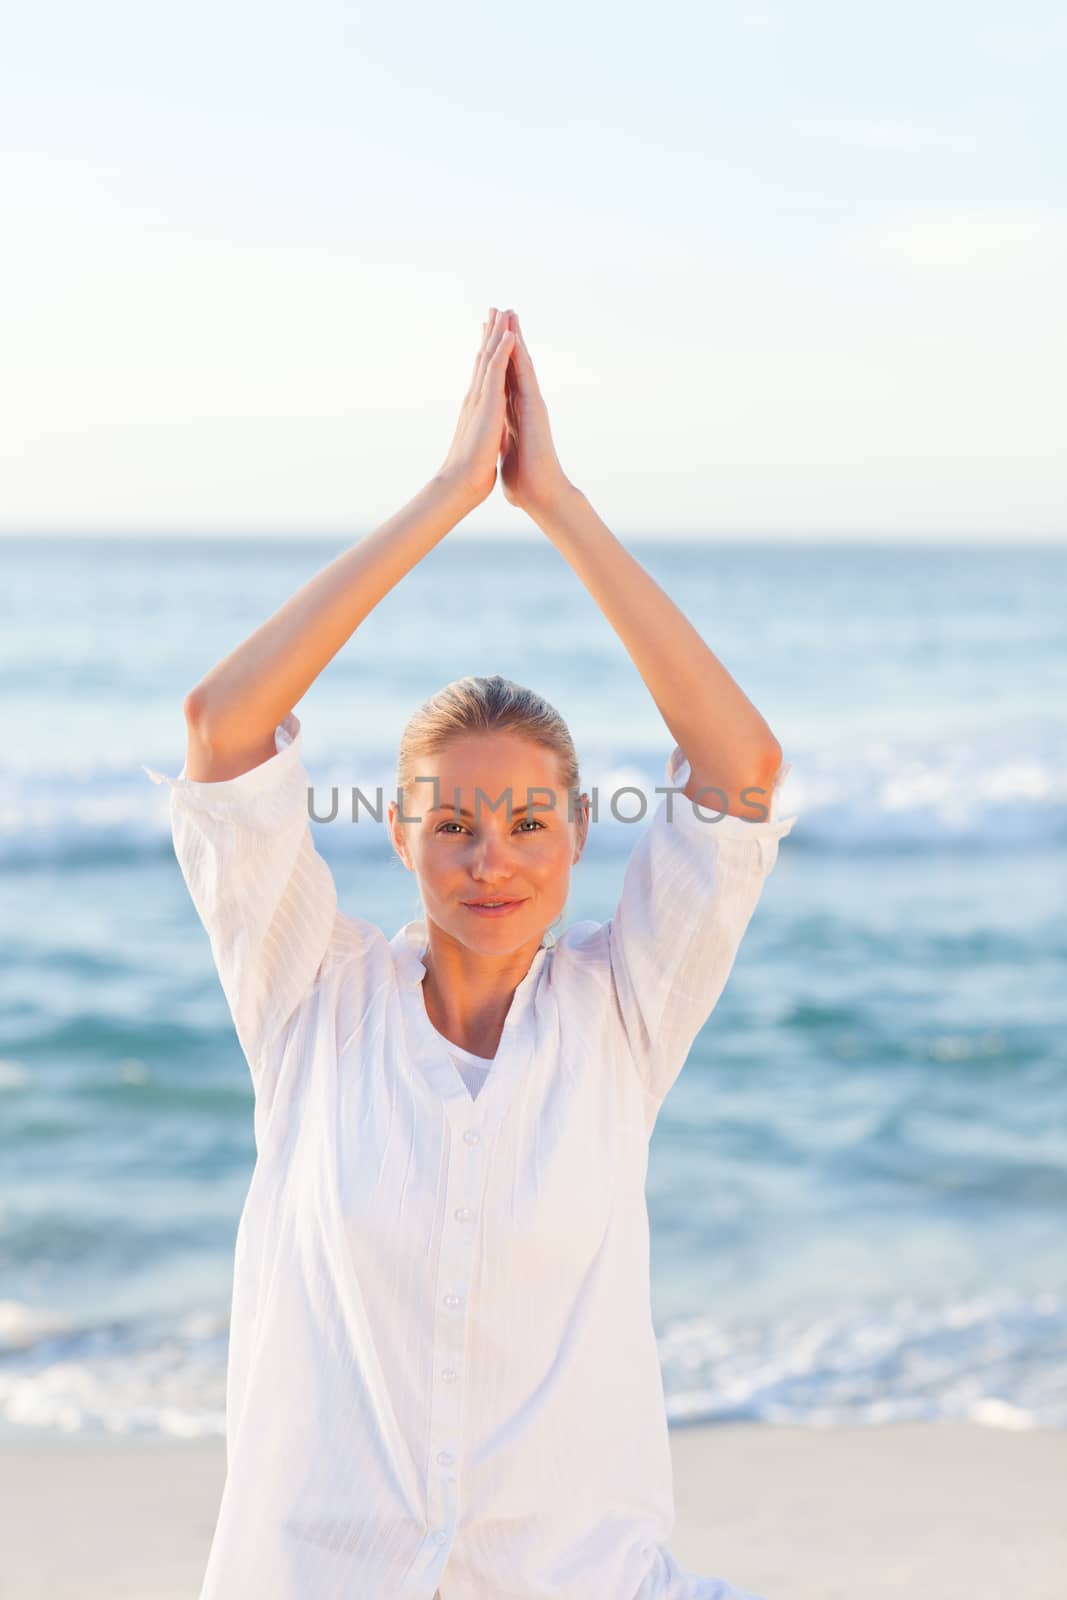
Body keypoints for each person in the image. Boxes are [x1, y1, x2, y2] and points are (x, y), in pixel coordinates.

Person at [144, 307, 797, 1599]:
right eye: (451, 822)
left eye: (524, 822)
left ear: (575, 839)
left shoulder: (621, 1017)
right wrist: (449, 494)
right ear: (398, 834)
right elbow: (222, 728)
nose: (487, 858)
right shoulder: (311, 1002)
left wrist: (553, 503)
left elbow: (743, 771)